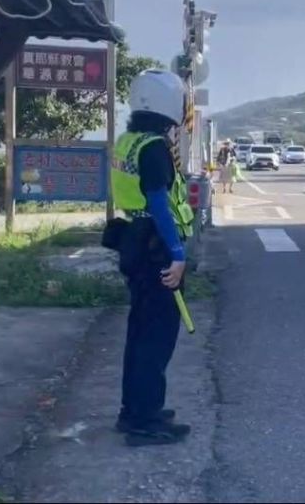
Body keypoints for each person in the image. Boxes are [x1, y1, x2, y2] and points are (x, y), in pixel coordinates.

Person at [109, 69, 196, 447]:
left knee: (139, 332)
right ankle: (145, 420)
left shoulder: (128, 141)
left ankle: (133, 411)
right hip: (157, 247)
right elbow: (159, 202)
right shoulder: (155, 147)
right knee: (156, 339)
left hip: (135, 241)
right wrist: (177, 255)